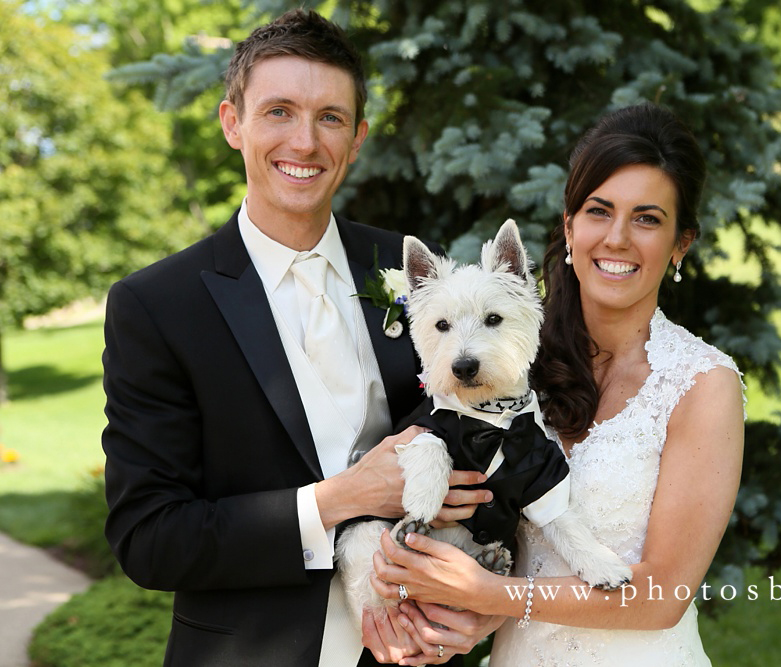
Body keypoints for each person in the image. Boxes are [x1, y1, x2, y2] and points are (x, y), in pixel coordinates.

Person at [101, 9, 496, 666]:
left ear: (358, 136)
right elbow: (151, 537)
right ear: (234, 123)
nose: (305, 142)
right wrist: (343, 497)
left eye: (330, 118)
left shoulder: (409, 268)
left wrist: (478, 607)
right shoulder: (157, 306)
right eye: (279, 111)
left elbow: (486, 433)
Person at [367, 103, 746, 665]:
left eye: (647, 218)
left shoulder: (702, 383)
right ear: (569, 227)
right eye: (599, 211)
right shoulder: (507, 366)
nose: (616, 238)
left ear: (680, 245)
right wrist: (449, 612)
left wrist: (492, 595)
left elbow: (663, 596)